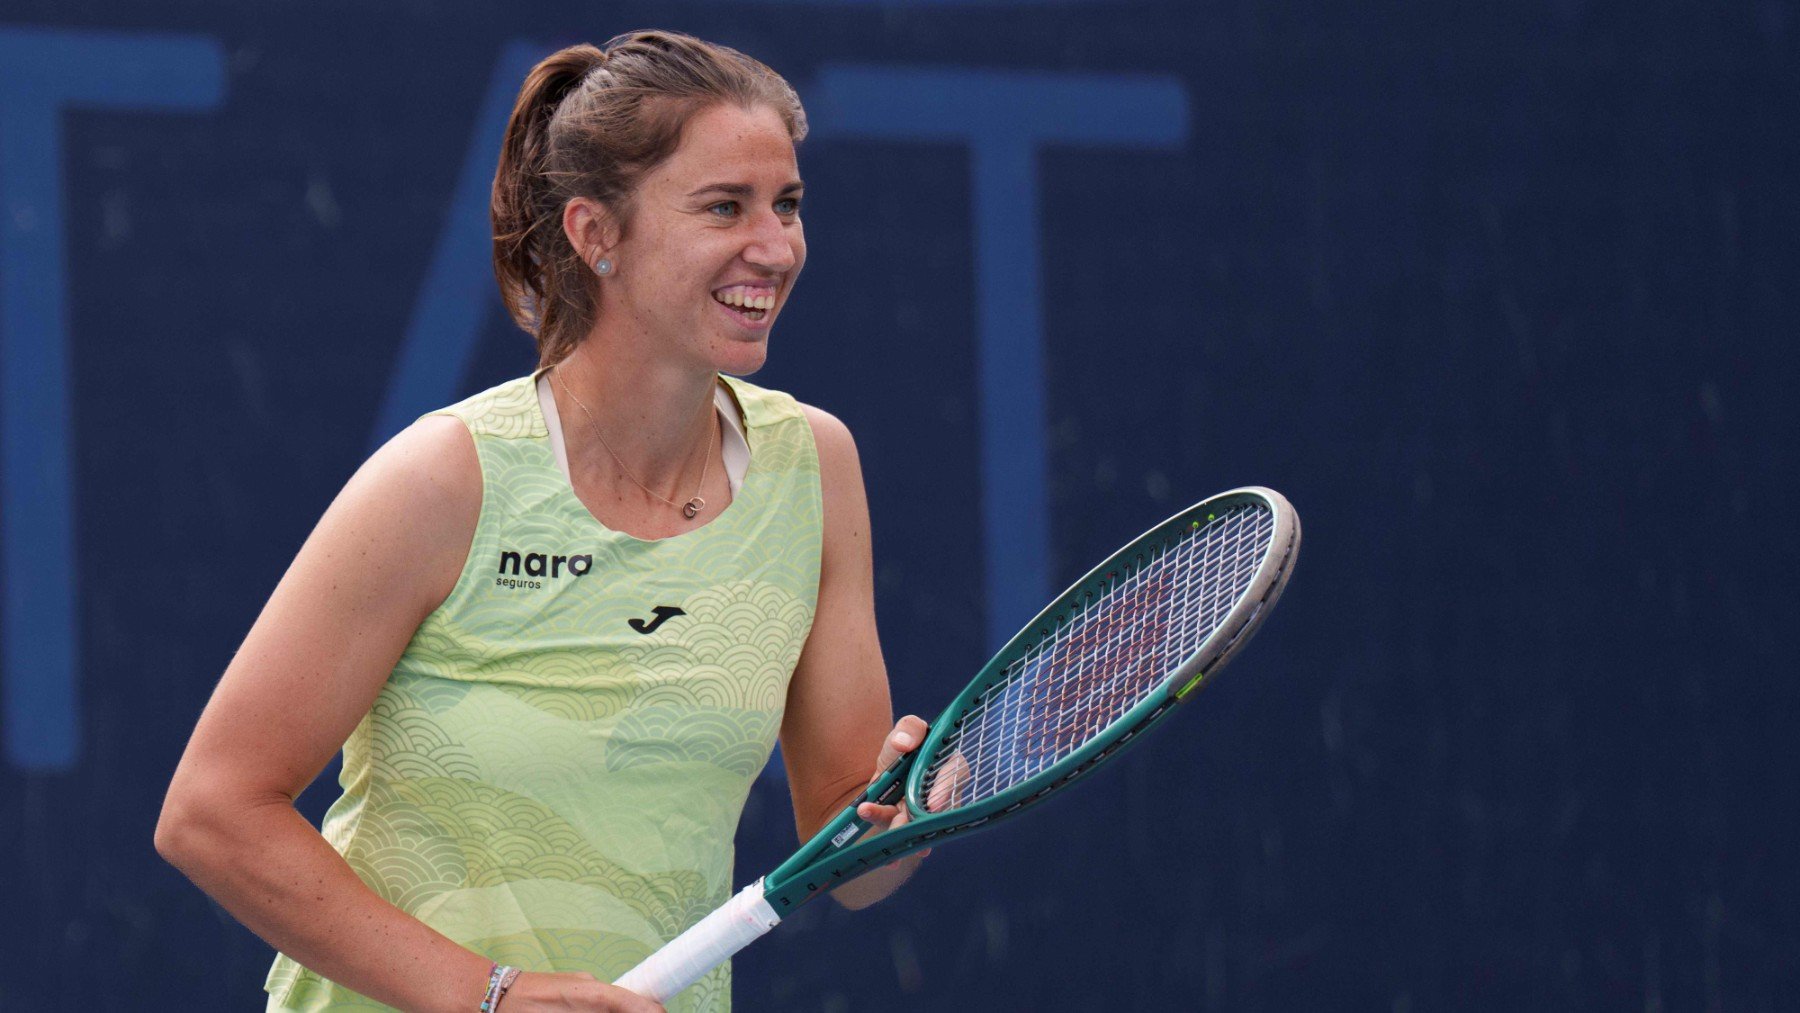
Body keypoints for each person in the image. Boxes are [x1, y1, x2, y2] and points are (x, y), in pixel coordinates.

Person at [155, 30, 927, 1013]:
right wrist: (490, 993)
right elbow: (213, 811)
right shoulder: (445, 479)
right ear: (596, 235)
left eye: (788, 205)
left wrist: (902, 821)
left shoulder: (816, 467)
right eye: (725, 206)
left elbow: (851, 862)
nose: (774, 247)